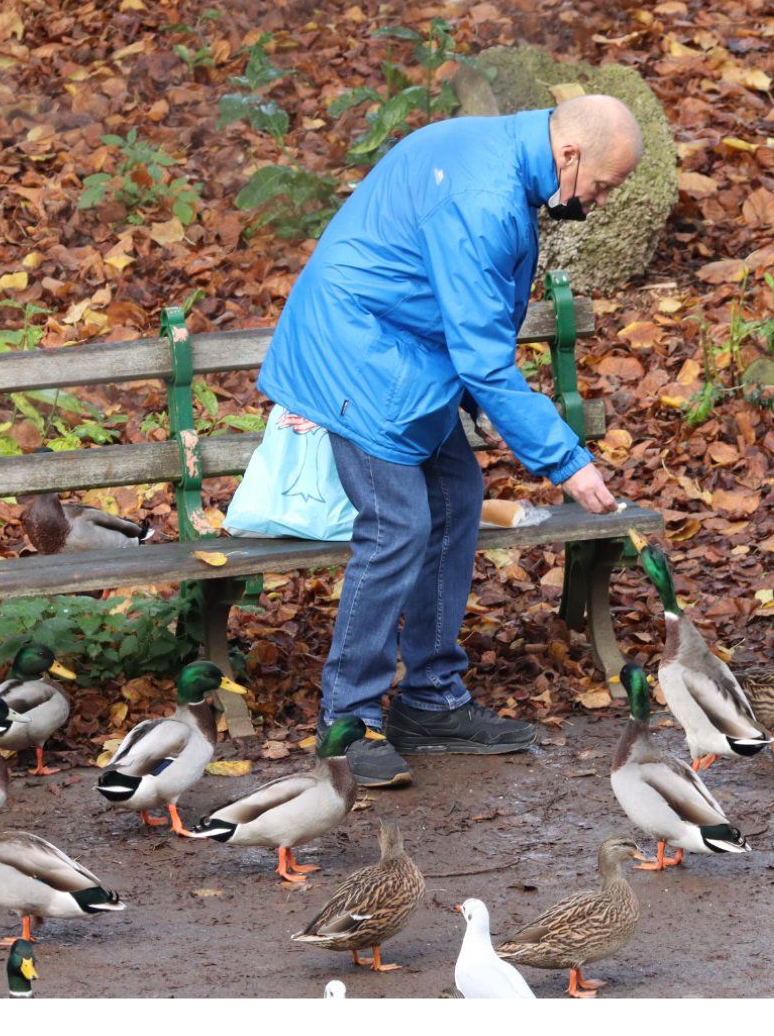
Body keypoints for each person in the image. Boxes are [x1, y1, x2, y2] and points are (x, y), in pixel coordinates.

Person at [257, 94, 644, 786]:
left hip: (403, 356)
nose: (601, 200)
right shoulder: (485, 197)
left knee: (457, 496)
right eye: (603, 185)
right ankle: (348, 723)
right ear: (569, 155)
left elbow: (457, 304)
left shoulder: (503, 159)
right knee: (397, 525)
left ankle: (430, 700)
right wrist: (567, 463)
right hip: (357, 354)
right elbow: (483, 357)